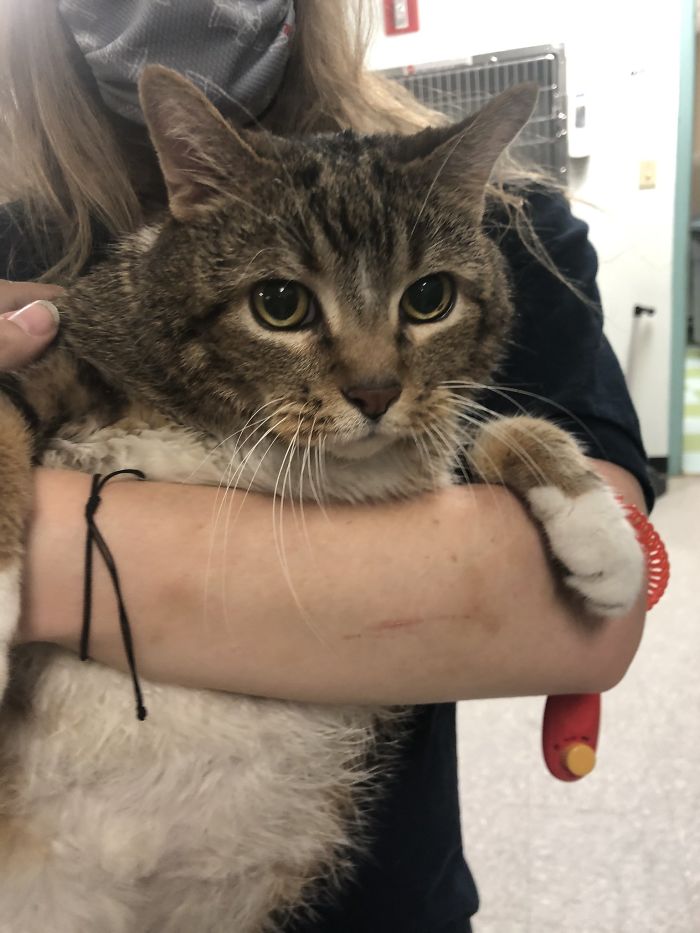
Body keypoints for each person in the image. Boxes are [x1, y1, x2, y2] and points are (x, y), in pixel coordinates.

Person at [0, 1, 652, 930]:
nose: (372, 381)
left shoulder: (518, 222)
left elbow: (586, 622)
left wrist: (52, 552)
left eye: (425, 301)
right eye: (285, 304)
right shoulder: (27, 236)